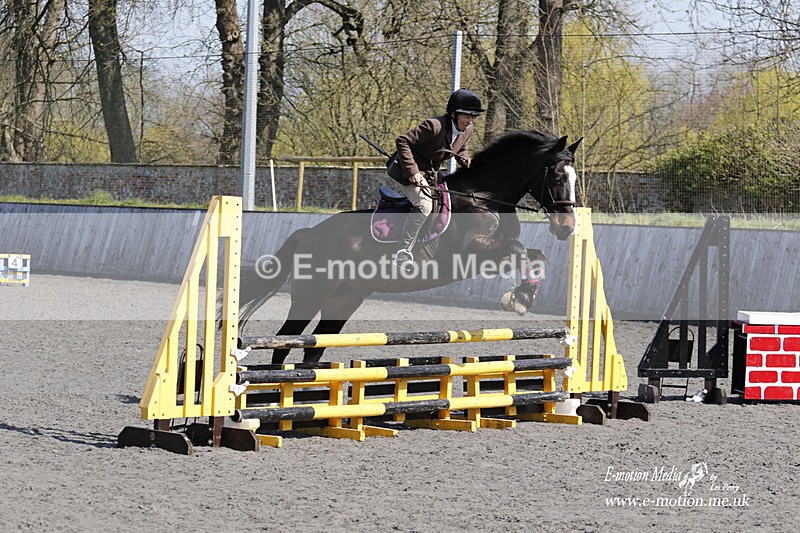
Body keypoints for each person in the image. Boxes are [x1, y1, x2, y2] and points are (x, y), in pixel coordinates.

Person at [386, 88, 485, 267]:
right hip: (408, 171)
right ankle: (403, 250)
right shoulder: (434, 126)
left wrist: (465, 160)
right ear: (454, 113)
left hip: (432, 174)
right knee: (424, 204)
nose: (470, 121)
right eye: (466, 116)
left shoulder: (467, 129)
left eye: (473, 117)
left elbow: (460, 147)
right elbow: (402, 141)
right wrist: (413, 171)